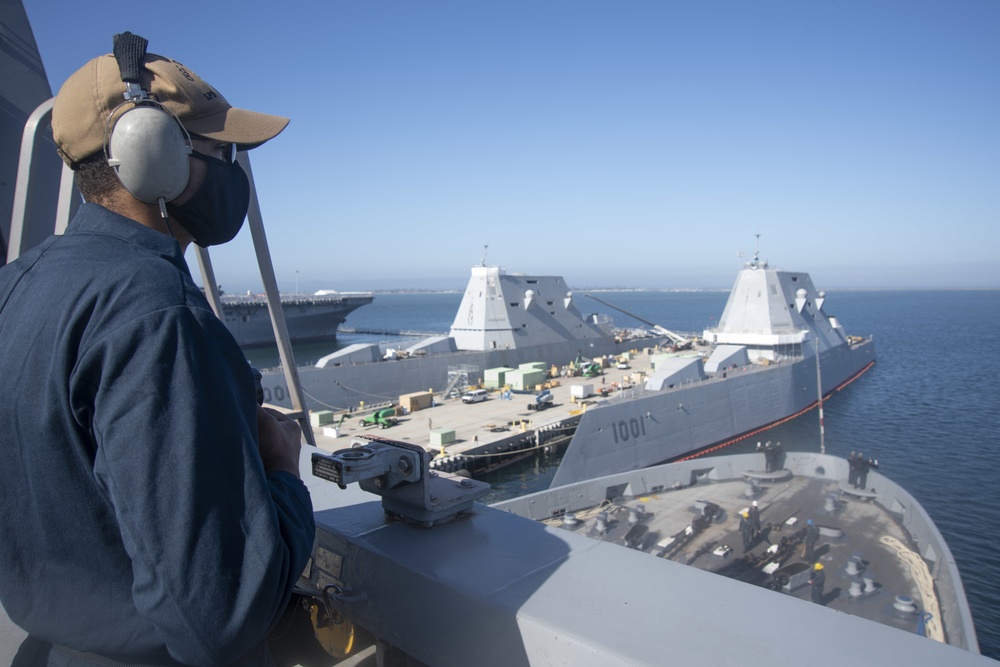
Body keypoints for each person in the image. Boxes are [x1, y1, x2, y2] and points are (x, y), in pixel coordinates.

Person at [0, 34, 315, 665]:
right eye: (220, 148)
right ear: (152, 153)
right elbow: (220, 615)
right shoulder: (159, 314)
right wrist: (281, 472)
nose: (234, 168)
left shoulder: (18, 283)